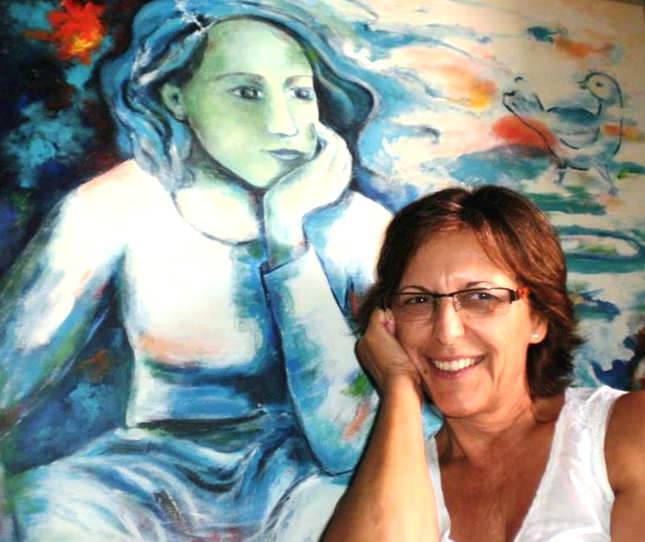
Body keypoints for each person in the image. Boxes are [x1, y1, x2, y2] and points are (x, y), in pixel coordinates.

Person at [0, 1, 391, 539]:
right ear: (175, 97)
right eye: (246, 92)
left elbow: (351, 443)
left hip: (304, 486)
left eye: (300, 93)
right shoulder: (114, 208)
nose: (283, 125)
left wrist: (288, 237)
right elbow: (10, 373)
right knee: (47, 506)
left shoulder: (359, 227)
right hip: (142, 483)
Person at [323, 185, 645, 541]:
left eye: (480, 296)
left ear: (538, 317)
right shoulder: (394, 479)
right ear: (389, 322)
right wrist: (399, 384)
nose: (447, 332)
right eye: (418, 300)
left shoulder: (623, 431)